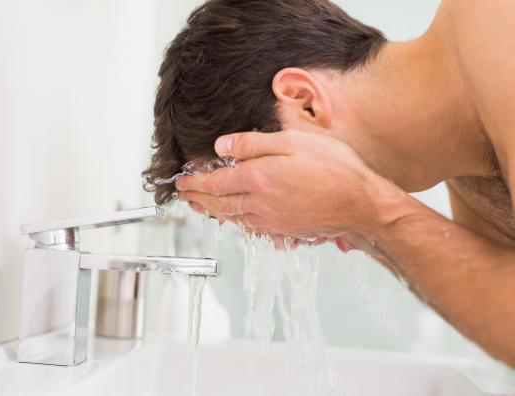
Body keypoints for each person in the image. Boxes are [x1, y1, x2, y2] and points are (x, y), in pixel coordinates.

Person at [143, 0, 515, 367]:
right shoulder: (463, 165)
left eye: (254, 183)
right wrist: (365, 228)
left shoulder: (496, 21)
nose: (276, 228)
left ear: (304, 101)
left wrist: (369, 209)